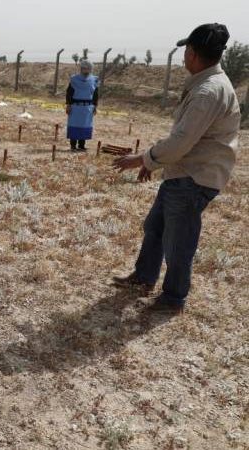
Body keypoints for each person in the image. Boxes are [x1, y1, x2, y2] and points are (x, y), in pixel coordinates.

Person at [111, 23, 240, 314]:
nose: (184, 57)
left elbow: (182, 140)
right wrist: (156, 163)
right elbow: (184, 140)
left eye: (186, 51)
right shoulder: (207, 85)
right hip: (184, 172)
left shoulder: (208, 92)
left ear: (192, 53)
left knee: (179, 241)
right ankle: (143, 278)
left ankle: (173, 298)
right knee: (155, 228)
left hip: (194, 177)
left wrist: (143, 159)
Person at [66, 59, 99, 151]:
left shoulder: (94, 80)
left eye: (88, 68)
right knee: (74, 125)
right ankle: (73, 145)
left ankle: (81, 145)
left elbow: (95, 94)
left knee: (85, 125)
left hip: (87, 107)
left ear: (90, 69)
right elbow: (69, 93)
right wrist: (68, 105)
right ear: (81, 68)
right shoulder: (74, 79)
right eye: (84, 68)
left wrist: (95, 106)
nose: (86, 70)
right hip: (76, 106)